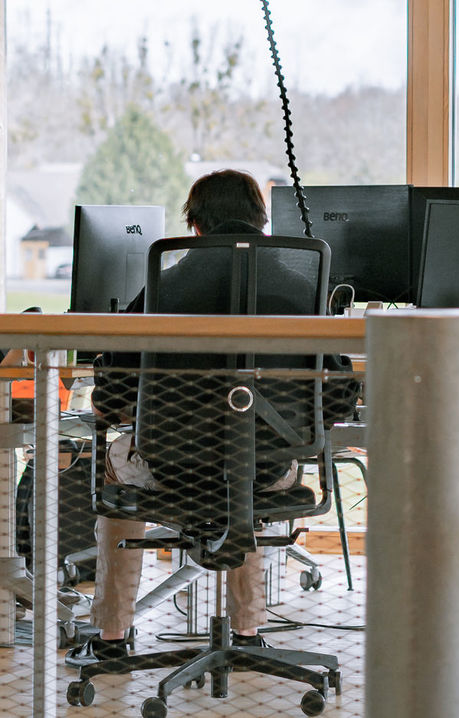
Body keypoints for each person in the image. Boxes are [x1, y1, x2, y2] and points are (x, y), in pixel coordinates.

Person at [77, 169, 318, 663]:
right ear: (261, 221)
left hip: (171, 470)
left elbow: (115, 387)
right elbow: (332, 397)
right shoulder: (301, 289)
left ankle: (112, 636)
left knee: (115, 459)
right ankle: (247, 633)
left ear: (196, 227)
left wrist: (107, 404)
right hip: (268, 471)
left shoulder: (164, 287)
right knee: (249, 466)